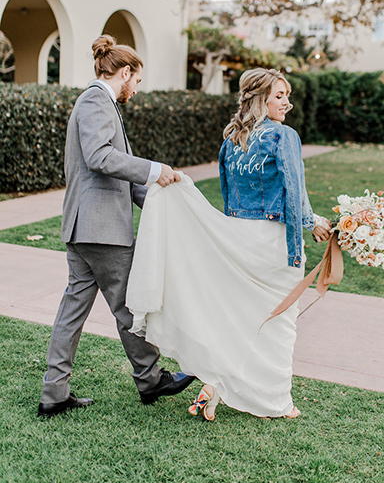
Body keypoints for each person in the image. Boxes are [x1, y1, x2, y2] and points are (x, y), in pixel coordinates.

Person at [126, 67, 330, 421]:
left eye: (287, 96)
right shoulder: (283, 137)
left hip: (237, 238)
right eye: (279, 96)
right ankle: (277, 403)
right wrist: (313, 225)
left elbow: (228, 197)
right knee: (278, 323)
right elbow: (295, 193)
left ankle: (216, 384)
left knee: (239, 318)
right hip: (271, 242)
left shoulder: (231, 141)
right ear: (259, 99)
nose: (288, 104)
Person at [38, 35, 195, 418]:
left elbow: (114, 173)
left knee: (73, 309)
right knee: (129, 304)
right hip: (101, 229)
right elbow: (99, 157)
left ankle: (54, 393)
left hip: (85, 227)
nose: (136, 90)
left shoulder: (100, 102)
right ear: (125, 72)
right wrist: (155, 169)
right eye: (136, 81)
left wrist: (159, 199)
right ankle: (151, 378)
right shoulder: (95, 100)